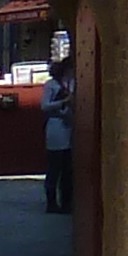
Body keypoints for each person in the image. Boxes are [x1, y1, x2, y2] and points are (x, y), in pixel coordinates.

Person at [42, 76, 75, 215]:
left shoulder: (73, 82)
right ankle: (52, 203)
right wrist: (63, 102)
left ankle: (67, 202)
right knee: (54, 168)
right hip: (56, 126)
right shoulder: (51, 85)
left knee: (67, 170)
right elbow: (45, 105)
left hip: (69, 127)